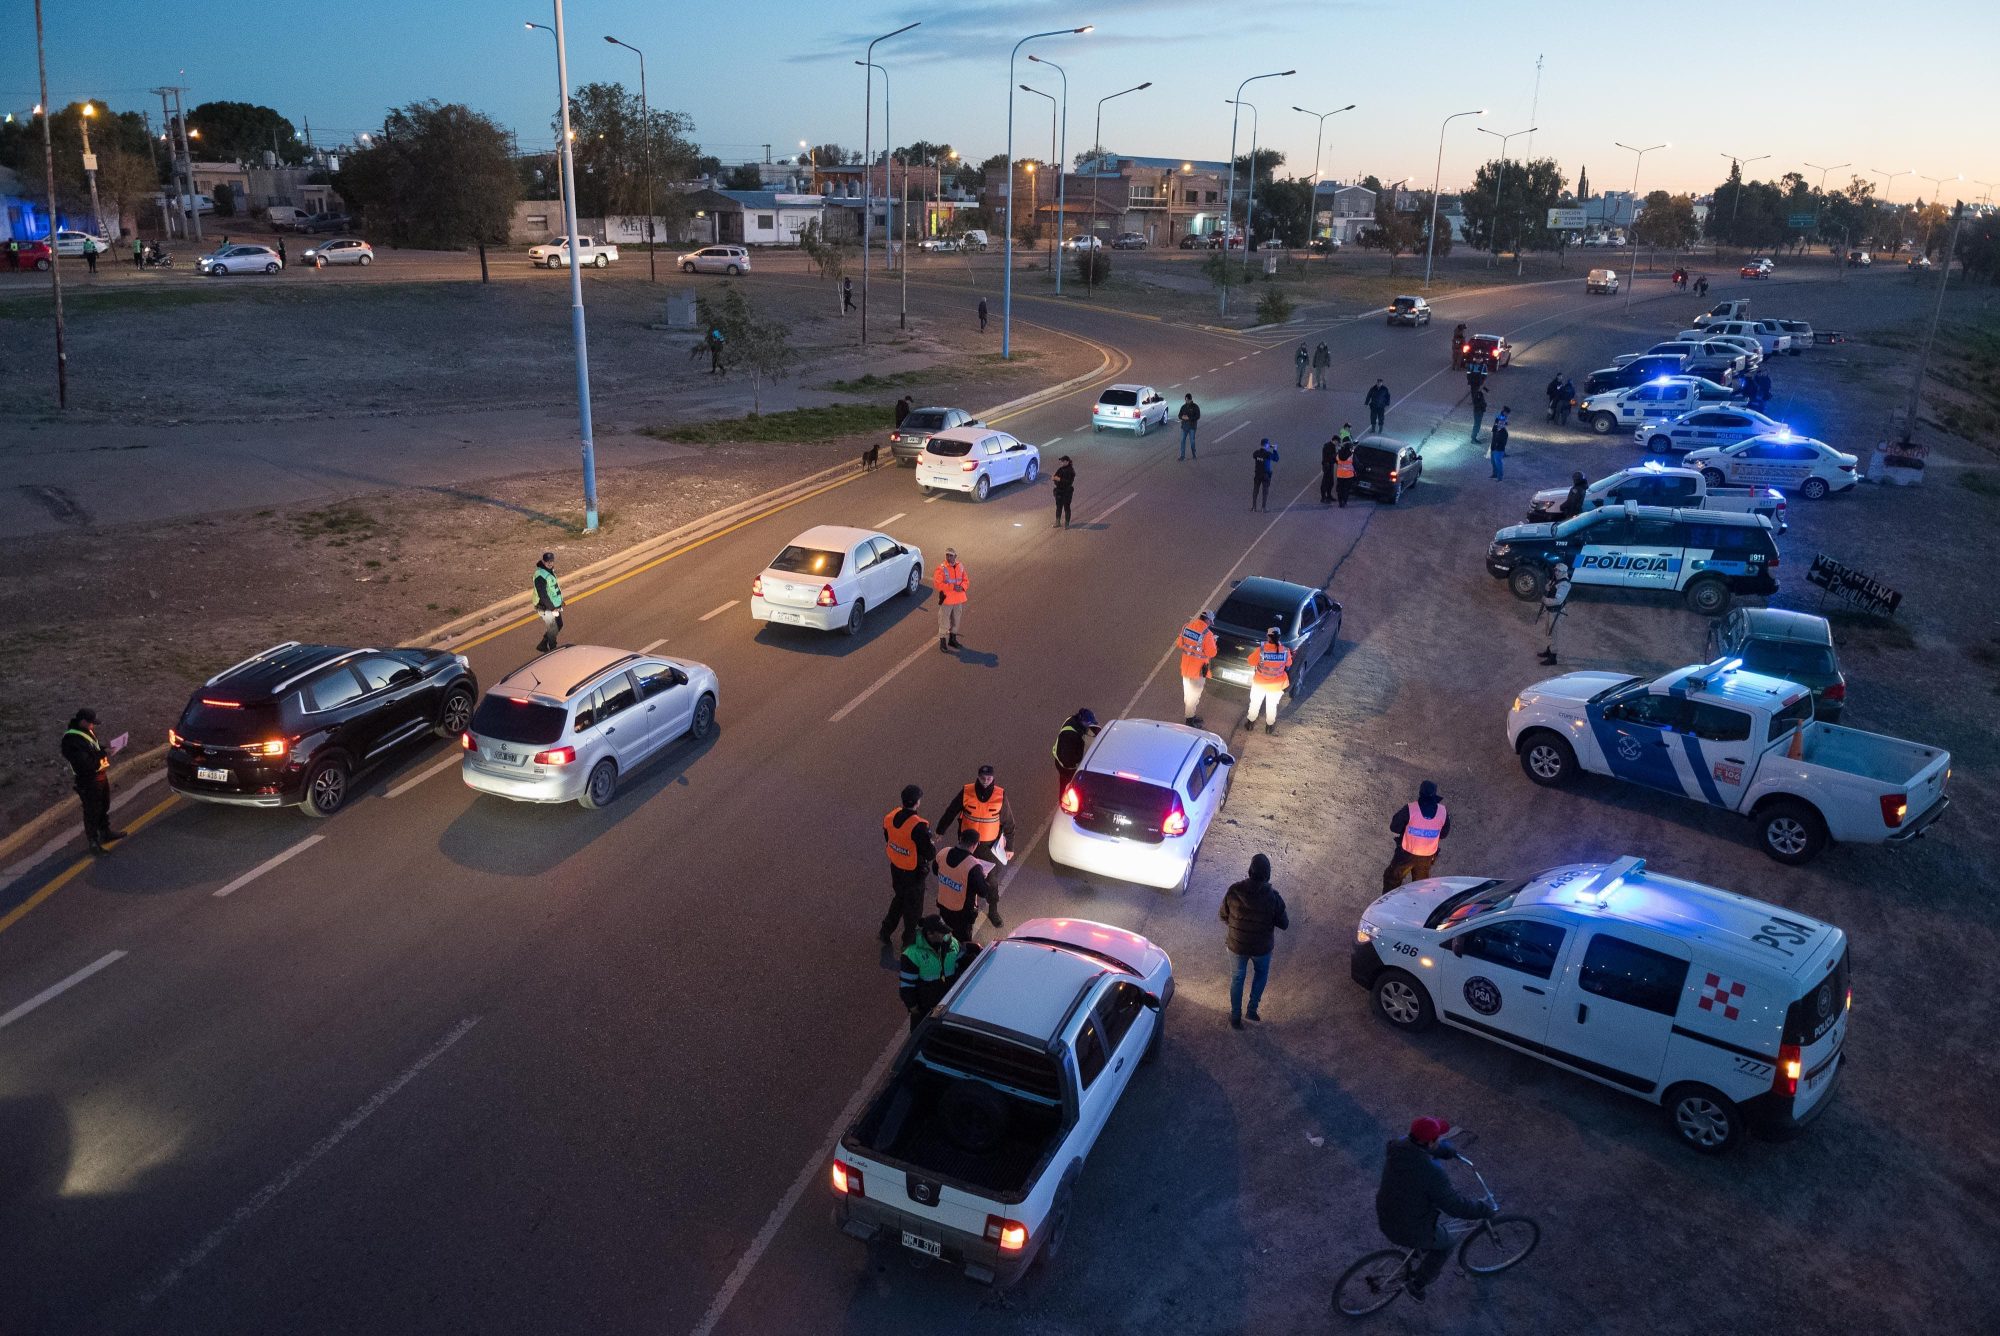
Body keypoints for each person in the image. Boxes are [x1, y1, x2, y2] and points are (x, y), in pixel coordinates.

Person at [1375, 1117, 1495, 1302]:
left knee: (1424, 1221)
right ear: (1430, 1142)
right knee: (1447, 1243)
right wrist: (1482, 1209)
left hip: (1386, 1211)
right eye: (1438, 1137)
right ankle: (1417, 1284)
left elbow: (1423, 1148)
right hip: (1406, 1228)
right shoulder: (1432, 1173)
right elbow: (1454, 1206)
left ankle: (1420, 1249)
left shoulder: (1398, 1146)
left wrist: (1448, 1152)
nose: (1440, 1139)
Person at [1220, 853, 1288, 1029]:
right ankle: (1252, 1010)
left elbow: (1223, 915)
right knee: (1261, 974)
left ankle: (1235, 1016)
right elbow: (1284, 924)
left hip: (1236, 945)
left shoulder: (1234, 890)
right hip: (1261, 949)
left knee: (1237, 978)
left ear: (1250, 871)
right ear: (1268, 875)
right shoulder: (1273, 897)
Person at [878, 785, 936, 950]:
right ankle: (908, 944)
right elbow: (930, 853)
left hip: (896, 868)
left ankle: (885, 931)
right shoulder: (919, 826)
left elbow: (888, 837)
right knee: (913, 909)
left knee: (899, 899)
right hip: (913, 872)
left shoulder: (890, 817)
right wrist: (931, 844)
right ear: (917, 803)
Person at [61, 708, 126, 854]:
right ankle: (93, 841)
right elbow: (85, 763)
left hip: (99, 776)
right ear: (83, 721)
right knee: (92, 810)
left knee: (103, 805)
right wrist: (102, 754)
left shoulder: (85, 732)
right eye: (91, 723)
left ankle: (105, 832)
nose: (93, 726)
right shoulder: (71, 741)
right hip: (88, 780)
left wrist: (104, 749)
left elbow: (92, 747)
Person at [899, 915, 979, 1030]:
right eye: (941, 932)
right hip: (926, 1008)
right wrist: (913, 1008)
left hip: (949, 1003)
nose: (945, 934)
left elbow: (962, 960)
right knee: (922, 1034)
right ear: (930, 934)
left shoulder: (952, 943)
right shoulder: (912, 954)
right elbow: (907, 986)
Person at [938, 764, 1016, 862]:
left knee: (989, 870)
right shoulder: (966, 791)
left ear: (993, 778)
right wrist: (940, 830)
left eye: (989, 778)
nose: (985, 781)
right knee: (965, 866)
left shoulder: (1000, 795)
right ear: (978, 777)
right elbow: (951, 811)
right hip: (967, 841)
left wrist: (1009, 847)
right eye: (982, 778)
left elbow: (1009, 822)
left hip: (989, 845)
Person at [935, 827, 1001, 941]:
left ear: (960, 839)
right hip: (962, 913)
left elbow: (935, 870)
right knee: (962, 942)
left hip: (943, 905)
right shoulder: (973, 866)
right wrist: (983, 878)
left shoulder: (944, 852)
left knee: (944, 936)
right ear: (975, 845)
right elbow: (983, 892)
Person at [1381, 781, 1449, 890]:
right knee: (1420, 887)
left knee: (1392, 879)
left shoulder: (1411, 809)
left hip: (1406, 854)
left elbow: (1394, 827)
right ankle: (1418, 900)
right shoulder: (1442, 812)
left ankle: (1390, 900)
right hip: (1427, 856)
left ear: (1420, 793)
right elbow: (1444, 834)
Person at [1245, 627, 1292, 735]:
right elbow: (1289, 664)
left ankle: (1250, 724)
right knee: (1272, 706)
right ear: (1279, 637)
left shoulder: (1261, 650)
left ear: (1268, 636)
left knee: (1255, 703)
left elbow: (1250, 662)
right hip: (1276, 686)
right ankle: (1269, 727)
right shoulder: (1285, 651)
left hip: (1260, 683)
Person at [1177, 610, 1219, 725]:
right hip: (1198, 670)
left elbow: (1180, 644)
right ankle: (1189, 720)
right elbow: (1211, 653)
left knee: (1188, 693)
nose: (1210, 624)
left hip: (1186, 666)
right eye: (1210, 621)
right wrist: (1214, 642)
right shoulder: (1208, 634)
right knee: (1194, 695)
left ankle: (1190, 715)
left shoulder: (1187, 626)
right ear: (1208, 620)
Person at [1052, 708, 1099, 791]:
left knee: (1065, 783)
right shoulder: (1071, 735)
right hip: (1066, 768)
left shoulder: (1072, 720)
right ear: (1082, 721)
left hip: (1061, 761)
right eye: (1088, 724)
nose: (1089, 726)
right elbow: (1067, 760)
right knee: (1068, 786)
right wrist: (1075, 766)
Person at [935, 547, 968, 651]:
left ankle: (952, 640)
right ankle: (943, 643)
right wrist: (952, 587)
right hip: (947, 600)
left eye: (951, 555)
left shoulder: (960, 566)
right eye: (947, 555)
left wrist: (962, 587)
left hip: (958, 599)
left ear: (955, 556)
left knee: (956, 621)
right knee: (944, 621)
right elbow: (938, 584)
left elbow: (966, 580)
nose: (948, 557)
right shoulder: (941, 568)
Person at [1538, 560, 1571, 665]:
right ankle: (1549, 650)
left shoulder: (1564, 584)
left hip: (1556, 613)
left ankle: (1553, 657)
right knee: (1550, 632)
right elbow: (1549, 588)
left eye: (1559, 571)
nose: (1556, 572)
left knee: (1555, 634)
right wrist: (1547, 587)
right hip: (1551, 611)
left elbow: (1558, 600)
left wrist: (1545, 600)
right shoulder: (1556, 579)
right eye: (1556, 570)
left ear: (1564, 572)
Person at [532, 551, 564, 652]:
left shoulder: (549, 571)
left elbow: (552, 589)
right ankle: (553, 651)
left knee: (559, 624)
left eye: (551, 561)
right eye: (547, 561)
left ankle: (543, 644)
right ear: (543, 561)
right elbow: (543, 595)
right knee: (552, 628)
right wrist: (552, 608)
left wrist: (559, 602)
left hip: (553, 605)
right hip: (544, 606)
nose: (550, 563)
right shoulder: (540, 576)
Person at [1251, 438, 1278, 511]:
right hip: (1266, 475)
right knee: (1265, 491)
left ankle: (1254, 507)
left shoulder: (1256, 453)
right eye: (1268, 444)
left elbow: (1254, 456)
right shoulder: (1268, 454)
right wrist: (1275, 450)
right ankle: (1263, 508)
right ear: (1266, 445)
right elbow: (1276, 459)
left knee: (1255, 490)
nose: (1269, 445)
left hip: (1257, 474)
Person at [1051, 455, 1076, 529]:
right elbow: (1055, 476)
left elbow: (1069, 482)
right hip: (1059, 491)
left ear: (1067, 462)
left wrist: (1059, 479)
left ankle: (1067, 524)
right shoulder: (1060, 469)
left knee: (1066, 507)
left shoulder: (1071, 471)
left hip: (1067, 492)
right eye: (1061, 461)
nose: (1061, 463)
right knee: (1058, 507)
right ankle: (1057, 522)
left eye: (1063, 461)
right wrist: (1054, 478)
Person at [1178, 394, 1201, 460]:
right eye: (1185, 400)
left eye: (1187, 400)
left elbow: (1198, 416)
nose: (1186, 401)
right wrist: (1182, 417)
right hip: (1184, 427)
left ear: (1190, 399)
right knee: (1182, 441)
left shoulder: (1195, 407)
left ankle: (1194, 453)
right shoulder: (1183, 407)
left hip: (1192, 427)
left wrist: (1189, 418)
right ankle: (1182, 456)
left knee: (1192, 441)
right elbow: (1179, 415)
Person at [1335, 438, 1357, 508]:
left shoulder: (1339, 454)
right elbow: (1356, 464)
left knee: (1340, 489)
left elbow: (1336, 460)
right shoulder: (1351, 455)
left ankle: (1340, 502)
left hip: (1340, 474)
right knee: (1346, 489)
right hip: (1348, 476)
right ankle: (1344, 501)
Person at [1489, 408, 1510, 480]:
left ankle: (1499, 477)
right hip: (1493, 447)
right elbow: (1493, 437)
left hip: (1499, 449)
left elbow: (1503, 443)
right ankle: (1495, 474)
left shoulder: (1504, 433)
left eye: (1502, 423)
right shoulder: (1495, 428)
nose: (1500, 424)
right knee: (1493, 462)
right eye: (1499, 422)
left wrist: (1497, 446)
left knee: (1498, 462)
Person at [1320, 434, 1340, 505]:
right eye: (1338, 442)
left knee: (1331, 482)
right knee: (1325, 482)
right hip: (1327, 466)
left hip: (1330, 465)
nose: (1338, 444)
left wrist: (1338, 462)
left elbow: (1333, 457)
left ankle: (1328, 495)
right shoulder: (1327, 446)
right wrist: (1337, 454)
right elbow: (1330, 456)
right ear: (1335, 440)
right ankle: (1323, 498)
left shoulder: (1332, 446)